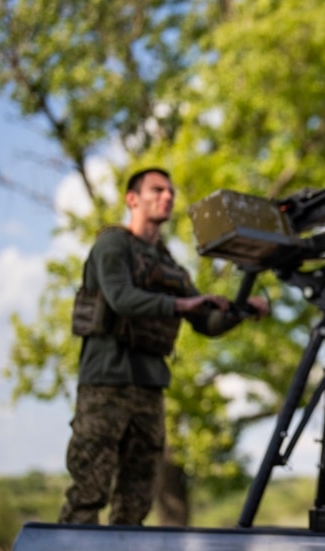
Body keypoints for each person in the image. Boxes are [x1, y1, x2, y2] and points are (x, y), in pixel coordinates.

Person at [57, 168, 269, 526]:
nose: (167, 197)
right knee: (88, 491)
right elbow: (121, 298)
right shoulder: (113, 245)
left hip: (149, 387)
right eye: (157, 190)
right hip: (106, 383)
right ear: (132, 199)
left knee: (137, 499)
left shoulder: (168, 265)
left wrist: (240, 309)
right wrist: (179, 305)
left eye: (170, 191)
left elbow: (206, 323)